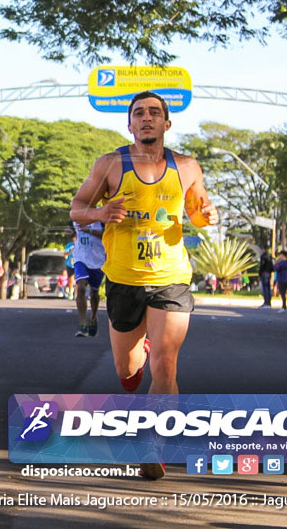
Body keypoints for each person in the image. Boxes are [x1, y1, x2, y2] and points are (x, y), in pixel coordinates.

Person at [70, 91, 217, 481]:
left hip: (171, 278)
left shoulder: (186, 166)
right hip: (123, 279)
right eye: (139, 113)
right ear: (130, 124)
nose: (147, 118)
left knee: (165, 363)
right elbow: (77, 209)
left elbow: (199, 213)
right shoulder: (110, 165)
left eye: (155, 113)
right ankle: (139, 352)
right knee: (128, 370)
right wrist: (101, 211)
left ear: (167, 123)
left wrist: (206, 215)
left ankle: (154, 445)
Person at [72, 220, 106, 337]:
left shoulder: (101, 215)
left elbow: (107, 235)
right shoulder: (77, 214)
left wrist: (90, 231)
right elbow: (71, 231)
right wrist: (69, 232)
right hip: (80, 257)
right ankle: (83, 325)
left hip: (97, 258)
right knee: (81, 287)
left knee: (94, 292)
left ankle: (93, 316)